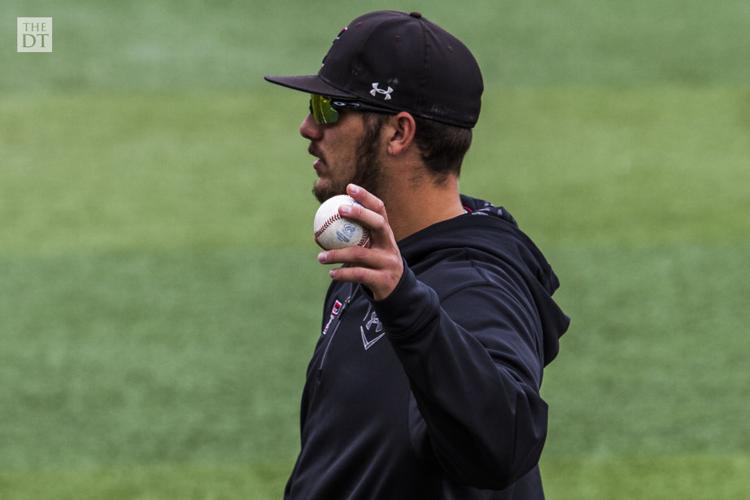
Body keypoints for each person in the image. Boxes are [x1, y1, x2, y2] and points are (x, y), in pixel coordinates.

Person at [265, 10, 570, 500]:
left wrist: (405, 302)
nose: (306, 127)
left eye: (327, 107)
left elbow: (504, 447)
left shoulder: (477, 286)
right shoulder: (376, 256)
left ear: (398, 133)